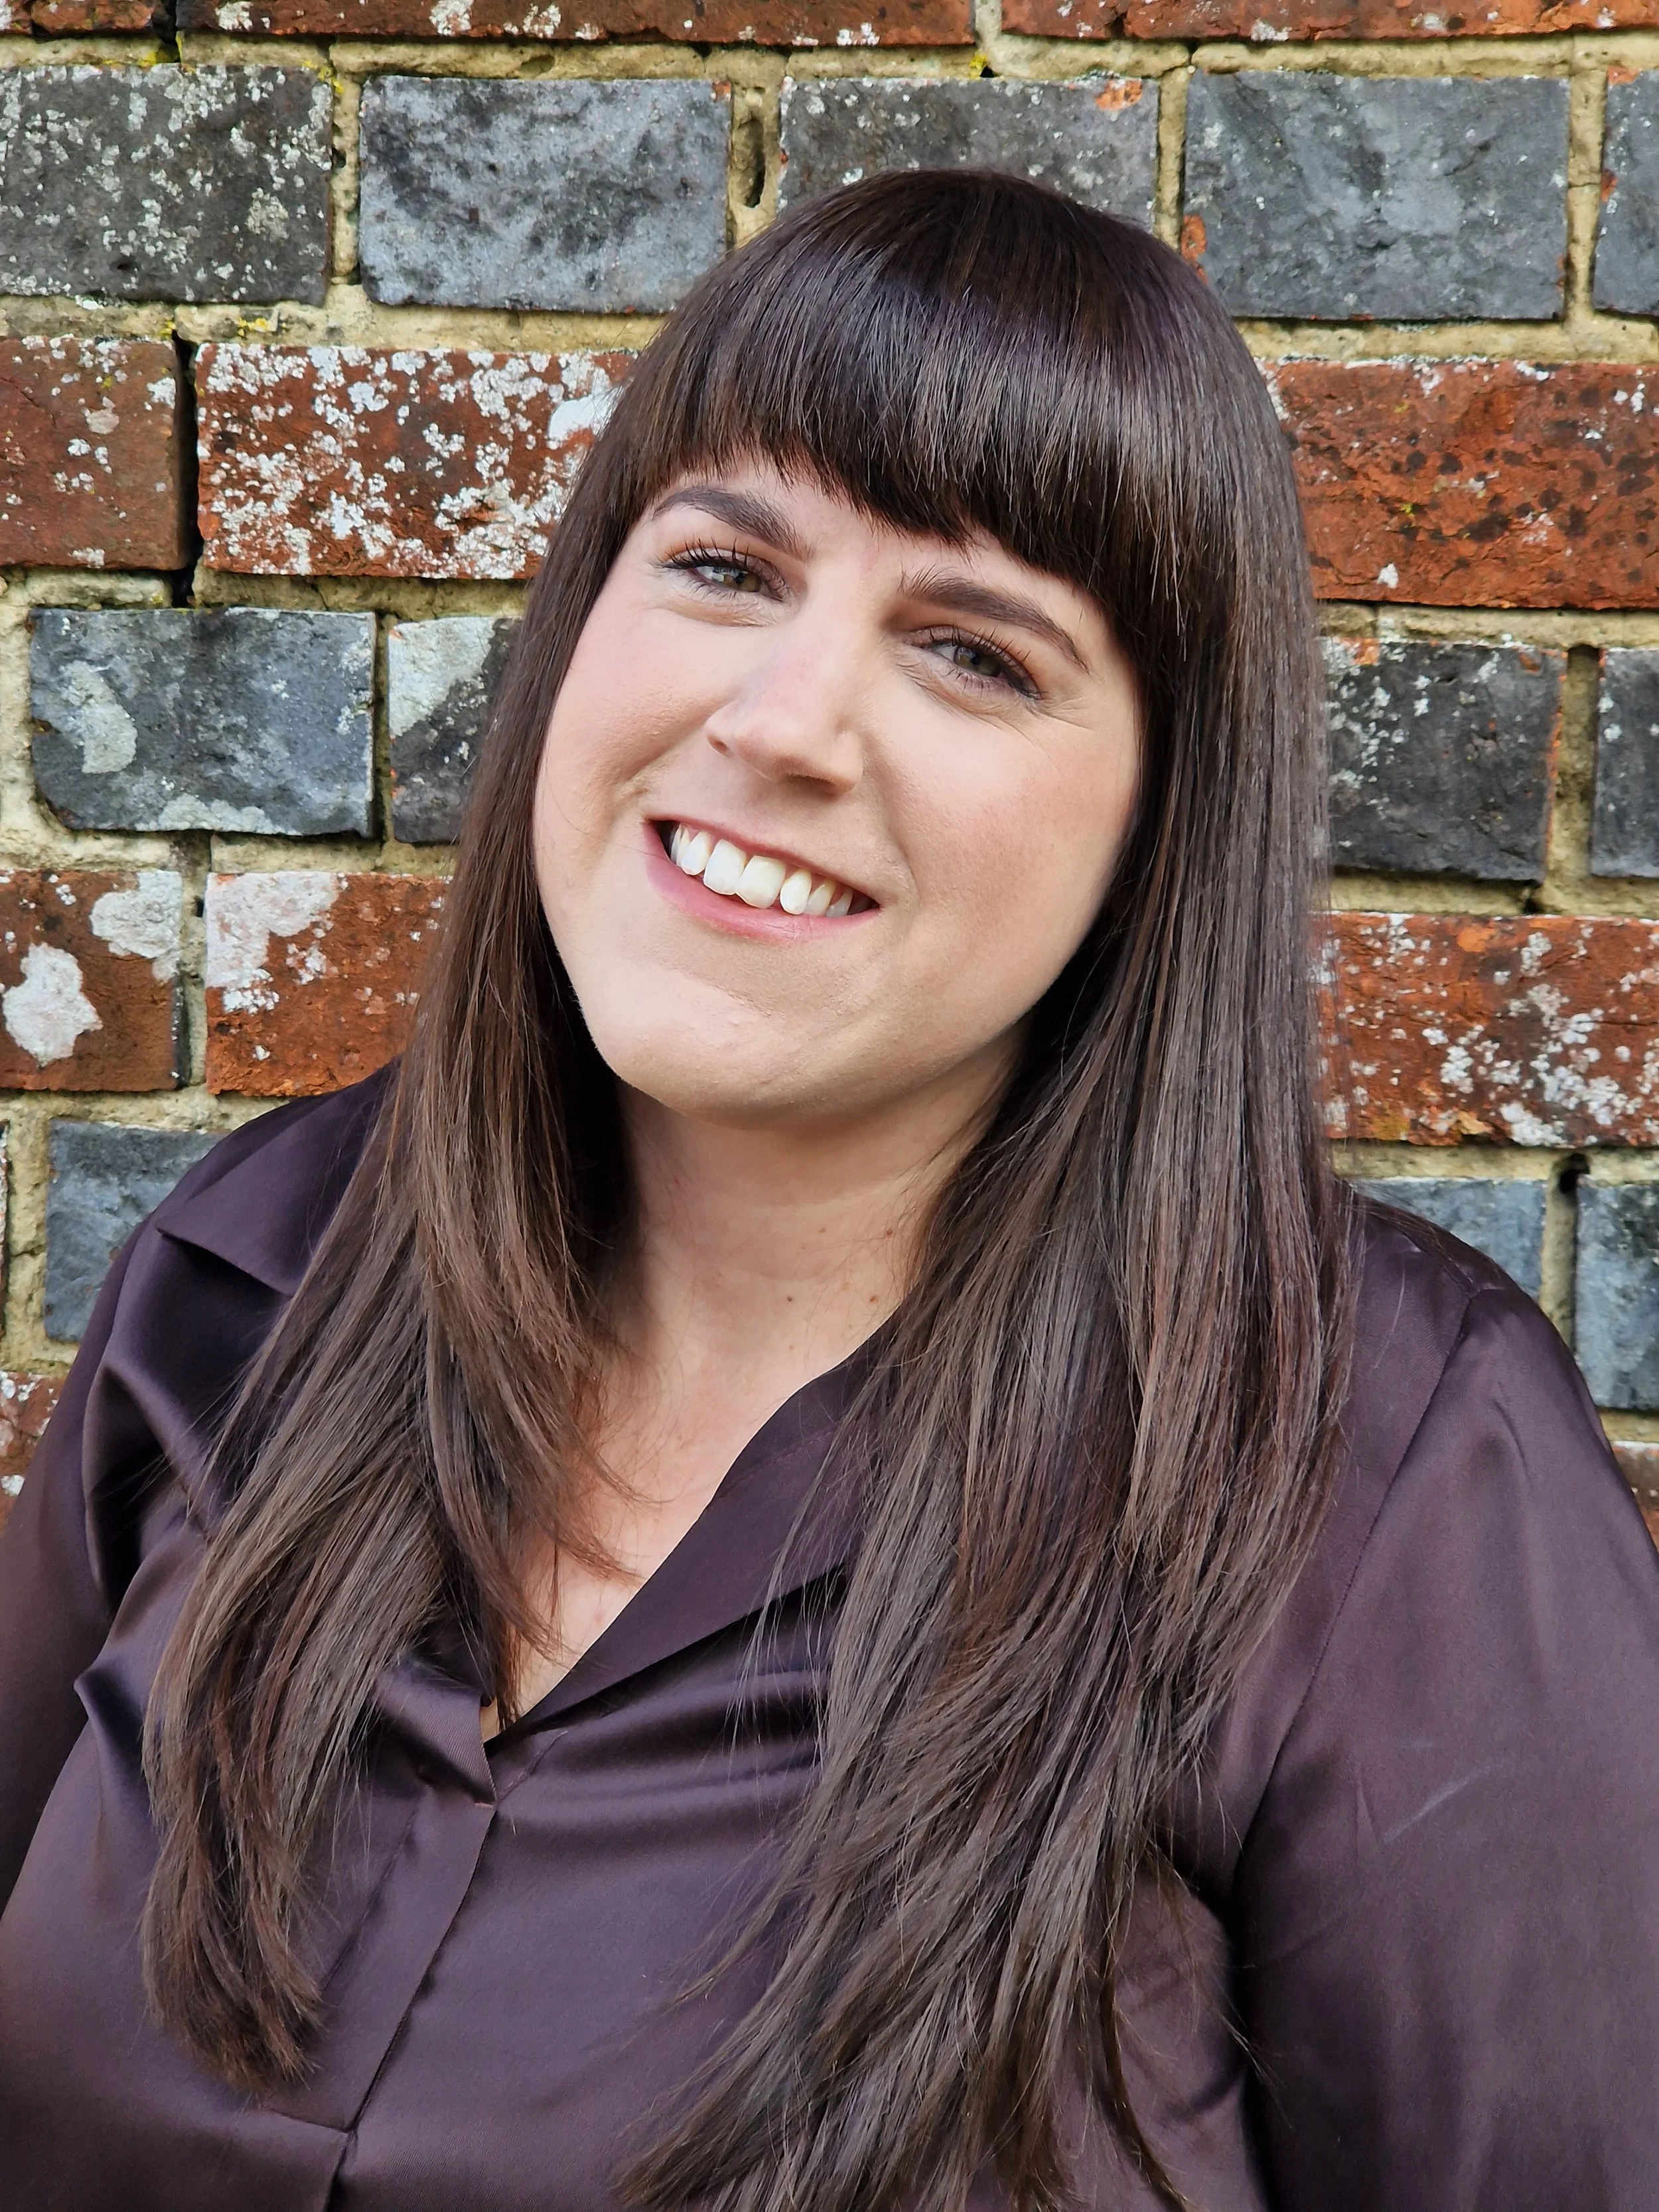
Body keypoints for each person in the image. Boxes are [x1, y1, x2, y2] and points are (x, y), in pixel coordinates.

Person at [0, 169, 1654, 2212]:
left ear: (1163, 812)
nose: (779, 722)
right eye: (722, 563)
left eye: (970, 650)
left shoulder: (1380, 1481)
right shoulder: (251, 1275)